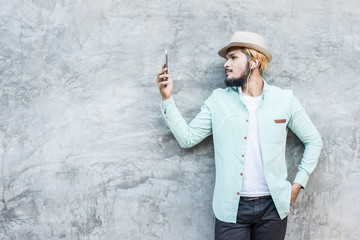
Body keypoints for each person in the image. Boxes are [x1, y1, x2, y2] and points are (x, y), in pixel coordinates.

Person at [155, 31, 322, 240]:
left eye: (233, 58)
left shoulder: (285, 100)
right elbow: (187, 139)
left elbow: (314, 140)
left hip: (273, 208)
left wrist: (298, 184)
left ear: (254, 61)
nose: (226, 64)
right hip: (230, 209)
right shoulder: (218, 100)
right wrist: (167, 98)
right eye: (227, 59)